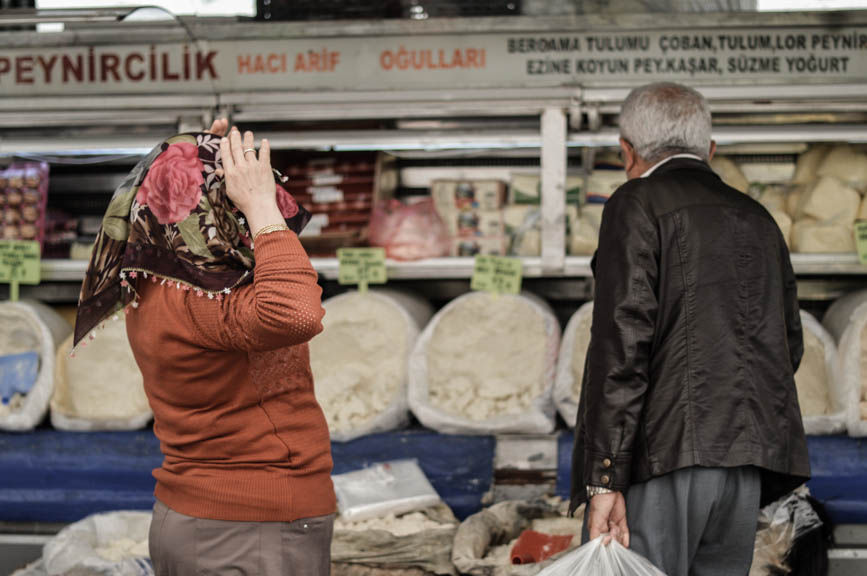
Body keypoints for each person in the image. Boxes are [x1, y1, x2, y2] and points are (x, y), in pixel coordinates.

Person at [74, 120, 335, 575]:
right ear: (209, 215)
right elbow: (297, 311)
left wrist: (203, 156)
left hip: (211, 522)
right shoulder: (199, 302)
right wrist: (257, 204)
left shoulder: (163, 281)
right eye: (226, 203)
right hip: (245, 528)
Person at [570, 82, 810, 575]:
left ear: (626, 152)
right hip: (742, 470)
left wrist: (605, 479)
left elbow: (622, 348)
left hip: (661, 462)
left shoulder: (634, 203)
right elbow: (787, 345)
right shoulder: (759, 217)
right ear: (711, 151)